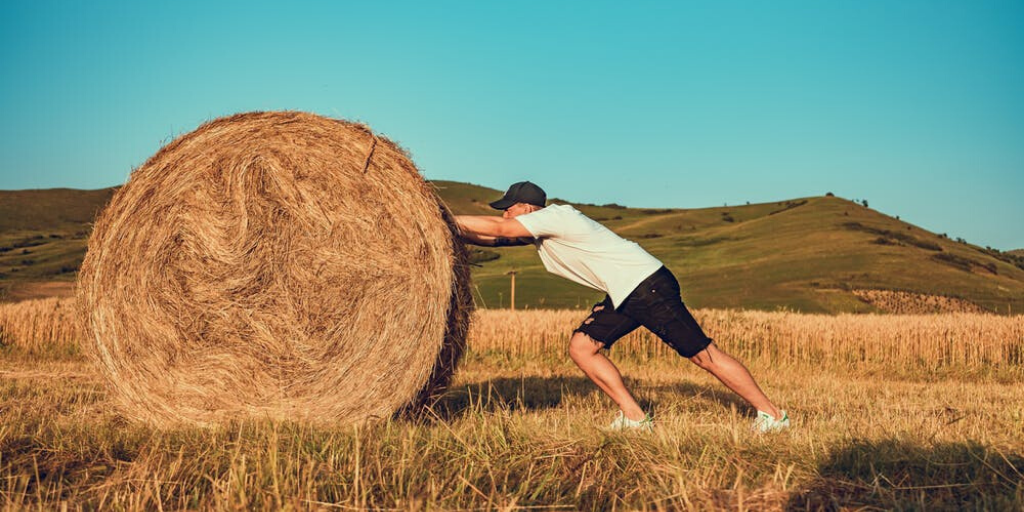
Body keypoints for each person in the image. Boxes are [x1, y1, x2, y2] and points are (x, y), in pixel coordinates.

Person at [454, 181, 789, 433]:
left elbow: (498, 228)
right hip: (625, 290)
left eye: (508, 208)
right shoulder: (543, 232)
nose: (504, 213)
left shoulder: (556, 217)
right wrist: (448, 230)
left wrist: (440, 213)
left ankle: (773, 416)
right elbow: (495, 238)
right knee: (583, 347)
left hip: (646, 285)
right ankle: (635, 418)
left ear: (526, 208)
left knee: (703, 354)